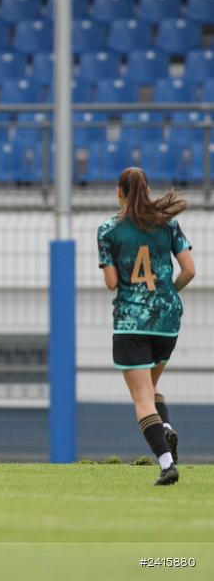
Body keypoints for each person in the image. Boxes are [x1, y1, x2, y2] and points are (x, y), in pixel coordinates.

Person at [97, 167, 194, 486]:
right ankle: (165, 429)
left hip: (131, 321)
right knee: (150, 389)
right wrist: (166, 294)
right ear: (148, 189)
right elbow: (189, 271)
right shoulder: (168, 222)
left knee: (141, 398)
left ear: (119, 192)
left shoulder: (109, 229)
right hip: (167, 319)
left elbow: (112, 283)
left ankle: (166, 462)